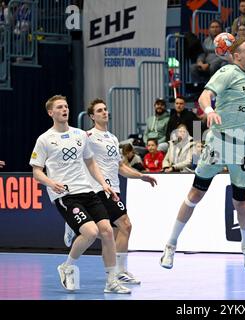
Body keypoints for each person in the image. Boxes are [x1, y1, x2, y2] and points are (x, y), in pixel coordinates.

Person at [160, 38, 245, 271]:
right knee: (195, 194)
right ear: (237, 56)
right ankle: (171, 245)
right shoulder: (228, 71)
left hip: (243, 148)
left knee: (241, 202)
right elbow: (205, 96)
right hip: (220, 142)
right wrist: (209, 110)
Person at [29, 95, 131, 293]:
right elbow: (36, 172)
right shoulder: (44, 139)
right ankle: (67, 267)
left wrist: (104, 184)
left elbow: (91, 163)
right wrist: (51, 183)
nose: (64, 110)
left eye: (66, 106)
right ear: (51, 112)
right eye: (59, 107)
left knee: (108, 231)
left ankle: (111, 282)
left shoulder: (79, 135)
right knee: (91, 232)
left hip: (89, 191)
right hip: (66, 195)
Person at [64, 98, 158, 285]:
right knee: (126, 225)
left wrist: (141, 176)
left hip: (114, 188)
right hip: (99, 189)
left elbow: (121, 167)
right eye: (99, 111)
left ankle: (112, 273)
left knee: (110, 235)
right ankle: (120, 271)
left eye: (105, 109)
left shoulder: (113, 138)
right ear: (92, 116)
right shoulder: (87, 136)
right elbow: (77, 160)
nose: (104, 112)